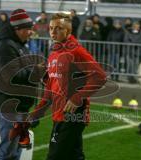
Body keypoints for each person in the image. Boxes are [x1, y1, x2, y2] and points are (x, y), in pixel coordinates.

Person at [31, 13, 106, 160]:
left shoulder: (76, 51)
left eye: (58, 28)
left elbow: (100, 77)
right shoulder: (54, 53)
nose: (53, 32)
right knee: (74, 156)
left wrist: (77, 98)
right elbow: (51, 88)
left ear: (68, 31)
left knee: (54, 156)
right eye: (51, 28)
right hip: (59, 113)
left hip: (73, 115)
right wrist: (38, 111)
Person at [0, 9, 37, 160]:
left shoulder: (18, 45)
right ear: (17, 29)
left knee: (15, 150)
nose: (30, 32)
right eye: (28, 29)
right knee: (8, 151)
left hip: (18, 104)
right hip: (9, 104)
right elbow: (10, 75)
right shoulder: (6, 47)